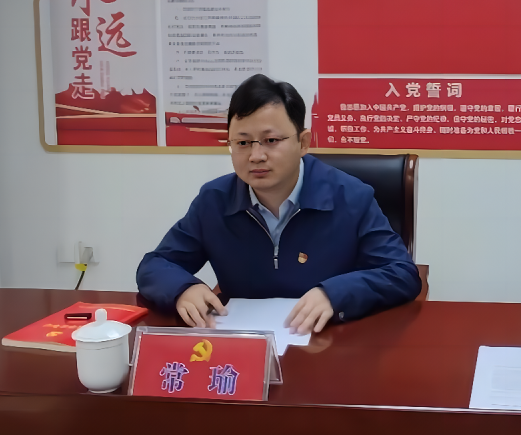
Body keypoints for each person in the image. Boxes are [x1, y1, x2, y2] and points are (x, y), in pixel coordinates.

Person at [136, 74, 421, 334]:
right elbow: (156, 264)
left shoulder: (351, 196)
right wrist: (182, 289)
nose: (256, 155)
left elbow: (401, 273)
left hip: (327, 345)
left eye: (270, 140)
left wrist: (335, 294)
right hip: (244, 346)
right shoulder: (214, 200)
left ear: (303, 142)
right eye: (242, 143)